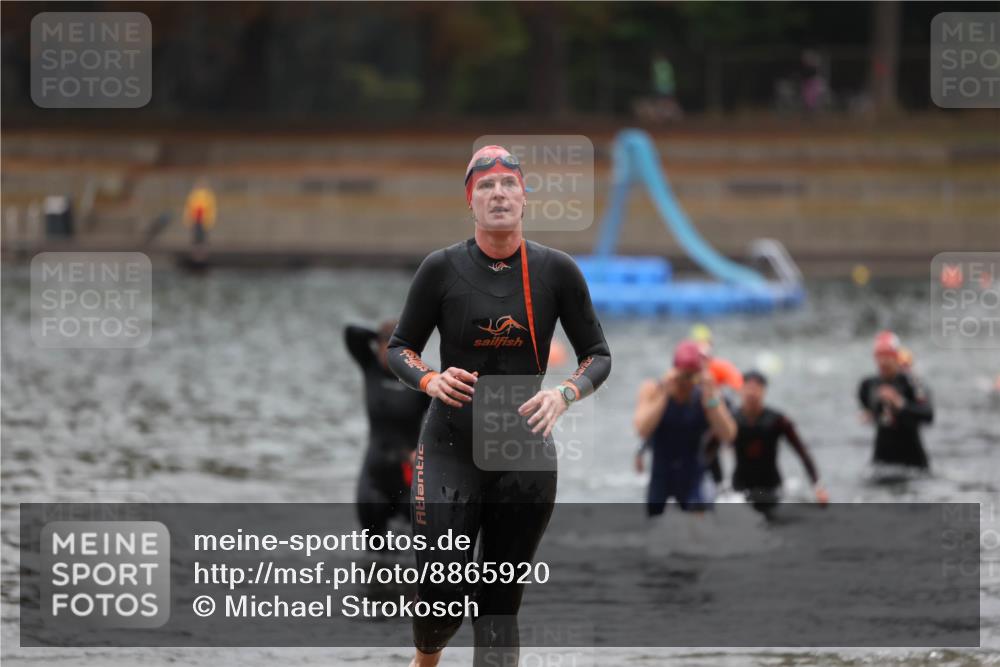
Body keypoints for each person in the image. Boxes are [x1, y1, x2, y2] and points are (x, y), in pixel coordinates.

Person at [387, 145, 611, 667]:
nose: (498, 194)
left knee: (499, 607)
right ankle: (426, 660)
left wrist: (564, 392)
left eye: (508, 183)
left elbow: (597, 355)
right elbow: (400, 348)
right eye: (485, 186)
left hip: (524, 451)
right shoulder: (440, 269)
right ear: (471, 201)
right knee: (441, 593)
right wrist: (430, 380)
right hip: (450, 444)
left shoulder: (557, 271)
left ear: (525, 198)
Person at [345, 320, 430, 541]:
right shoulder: (371, 368)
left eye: (397, 349)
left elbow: (444, 423)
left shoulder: (422, 379)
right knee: (374, 554)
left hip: (408, 479)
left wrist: (424, 452)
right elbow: (351, 333)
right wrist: (381, 335)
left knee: (412, 555)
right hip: (374, 476)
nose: (388, 354)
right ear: (378, 345)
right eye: (386, 346)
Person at [633, 340, 737, 516]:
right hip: (661, 474)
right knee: (657, 524)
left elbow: (728, 435)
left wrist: (711, 398)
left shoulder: (707, 394)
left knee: (698, 525)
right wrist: (665, 394)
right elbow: (642, 429)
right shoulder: (654, 389)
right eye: (683, 375)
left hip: (694, 473)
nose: (686, 383)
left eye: (692, 376)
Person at [719, 370, 827, 516]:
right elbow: (708, 451)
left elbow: (801, 452)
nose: (751, 393)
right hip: (740, 490)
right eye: (748, 388)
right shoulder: (730, 421)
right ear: (740, 390)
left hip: (771, 488)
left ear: (764, 391)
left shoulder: (777, 420)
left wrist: (817, 486)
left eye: (756, 388)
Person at [858, 331, 934, 470]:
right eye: (880, 356)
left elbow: (928, 415)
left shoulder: (913, 383)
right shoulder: (868, 384)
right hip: (881, 461)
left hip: (912, 462)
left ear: (896, 357)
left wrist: (900, 403)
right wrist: (870, 414)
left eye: (888, 356)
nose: (883, 361)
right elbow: (867, 406)